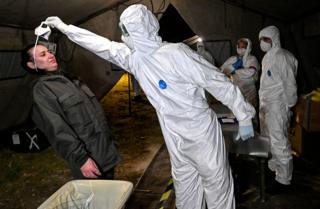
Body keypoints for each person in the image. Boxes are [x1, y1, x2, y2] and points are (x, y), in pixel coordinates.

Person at [44, 4, 255, 209]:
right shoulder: (136, 58)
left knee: (216, 184)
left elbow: (216, 81)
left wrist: (244, 115)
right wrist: (65, 28)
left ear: (137, 29)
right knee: (185, 185)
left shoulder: (175, 54)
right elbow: (100, 45)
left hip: (200, 132)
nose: (123, 34)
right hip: (174, 133)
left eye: (125, 29)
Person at [21, 43, 121, 179]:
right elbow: (57, 129)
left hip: (104, 151)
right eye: (43, 55)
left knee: (113, 196)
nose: (51, 55)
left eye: (49, 52)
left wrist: (109, 143)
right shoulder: (43, 90)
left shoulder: (69, 80)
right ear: (32, 65)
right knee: (96, 198)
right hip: (88, 159)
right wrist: (82, 159)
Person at [258, 25, 298, 189]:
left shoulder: (283, 56)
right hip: (266, 104)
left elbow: (290, 84)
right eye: (261, 39)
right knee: (268, 140)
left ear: (274, 39)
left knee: (279, 142)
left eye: (266, 39)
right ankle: (274, 169)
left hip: (278, 105)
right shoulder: (267, 57)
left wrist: (288, 106)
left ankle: (284, 179)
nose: (263, 43)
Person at [221, 38, 260, 109]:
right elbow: (223, 70)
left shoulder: (252, 59)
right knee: (237, 112)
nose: (241, 49)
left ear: (248, 47)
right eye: (239, 47)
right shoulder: (233, 59)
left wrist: (235, 71)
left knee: (250, 113)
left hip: (249, 92)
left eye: (244, 47)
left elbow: (251, 72)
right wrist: (233, 66)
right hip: (236, 91)